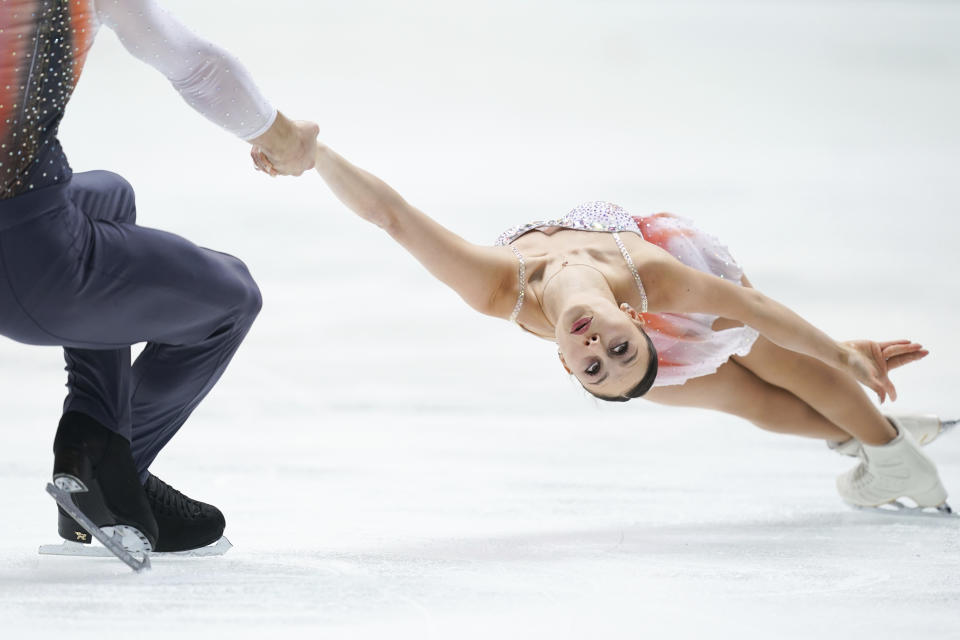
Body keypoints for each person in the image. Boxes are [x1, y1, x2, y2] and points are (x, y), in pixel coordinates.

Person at [252, 142, 952, 514]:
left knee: (772, 369)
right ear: (640, 325)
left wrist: (314, 156)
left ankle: (887, 450)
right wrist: (841, 354)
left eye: (591, 362)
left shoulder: (497, 286)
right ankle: (865, 432)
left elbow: (393, 217)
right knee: (748, 395)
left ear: (563, 363)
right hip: (667, 278)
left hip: (667, 292)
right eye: (615, 350)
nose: (595, 346)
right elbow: (755, 309)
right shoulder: (657, 279)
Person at [0, 0, 318, 553]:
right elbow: (195, 64)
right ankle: (112, 462)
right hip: (33, 264)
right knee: (232, 296)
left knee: (109, 194)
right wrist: (281, 137)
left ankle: (92, 435)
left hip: (30, 242)